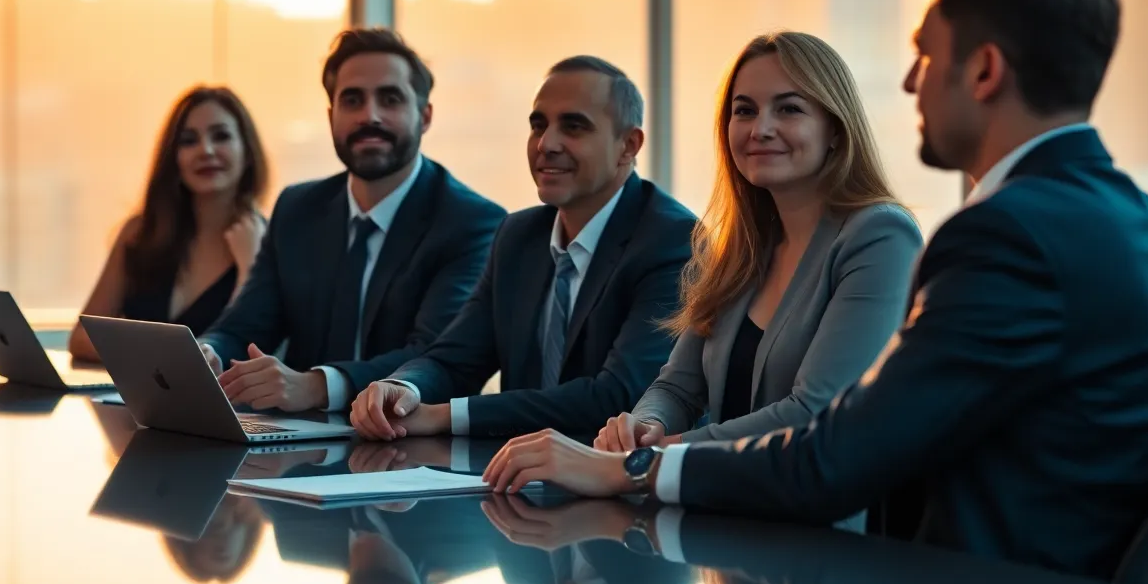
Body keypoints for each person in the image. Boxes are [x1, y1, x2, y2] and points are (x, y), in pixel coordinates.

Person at [479, 0, 1148, 582]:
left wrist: (631, 468)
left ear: (985, 71)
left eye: (926, 54)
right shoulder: (1137, 222)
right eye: (744, 108)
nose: (908, 81)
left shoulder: (1006, 236)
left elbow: (834, 455)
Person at [593, 31, 920, 454]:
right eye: (744, 110)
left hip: (816, 515)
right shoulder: (740, 246)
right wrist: (643, 426)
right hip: (716, 504)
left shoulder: (879, 236)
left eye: (789, 109)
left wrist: (654, 457)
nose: (760, 129)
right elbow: (676, 387)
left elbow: (814, 412)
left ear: (835, 129)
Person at [348, 56, 696, 440]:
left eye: (573, 126)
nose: (547, 144)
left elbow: (617, 396)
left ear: (628, 145)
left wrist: (446, 415)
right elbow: (454, 359)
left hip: (618, 479)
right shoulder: (518, 235)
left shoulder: (673, 241)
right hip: (516, 476)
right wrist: (404, 389)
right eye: (538, 125)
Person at [197, 27, 506, 413]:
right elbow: (243, 326)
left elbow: (435, 357)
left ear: (424, 116)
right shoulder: (297, 209)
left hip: (410, 450)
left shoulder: (472, 223)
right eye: (352, 100)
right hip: (295, 446)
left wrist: (317, 386)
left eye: (390, 99)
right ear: (331, 116)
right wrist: (207, 353)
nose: (369, 116)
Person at [68, 86, 270, 361]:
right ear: (173, 158)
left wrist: (250, 268)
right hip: (134, 400)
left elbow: (249, 351)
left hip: (220, 404)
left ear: (247, 151)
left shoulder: (268, 241)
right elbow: (81, 338)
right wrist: (161, 357)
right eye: (188, 141)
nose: (206, 150)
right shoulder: (140, 233)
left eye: (221, 136)